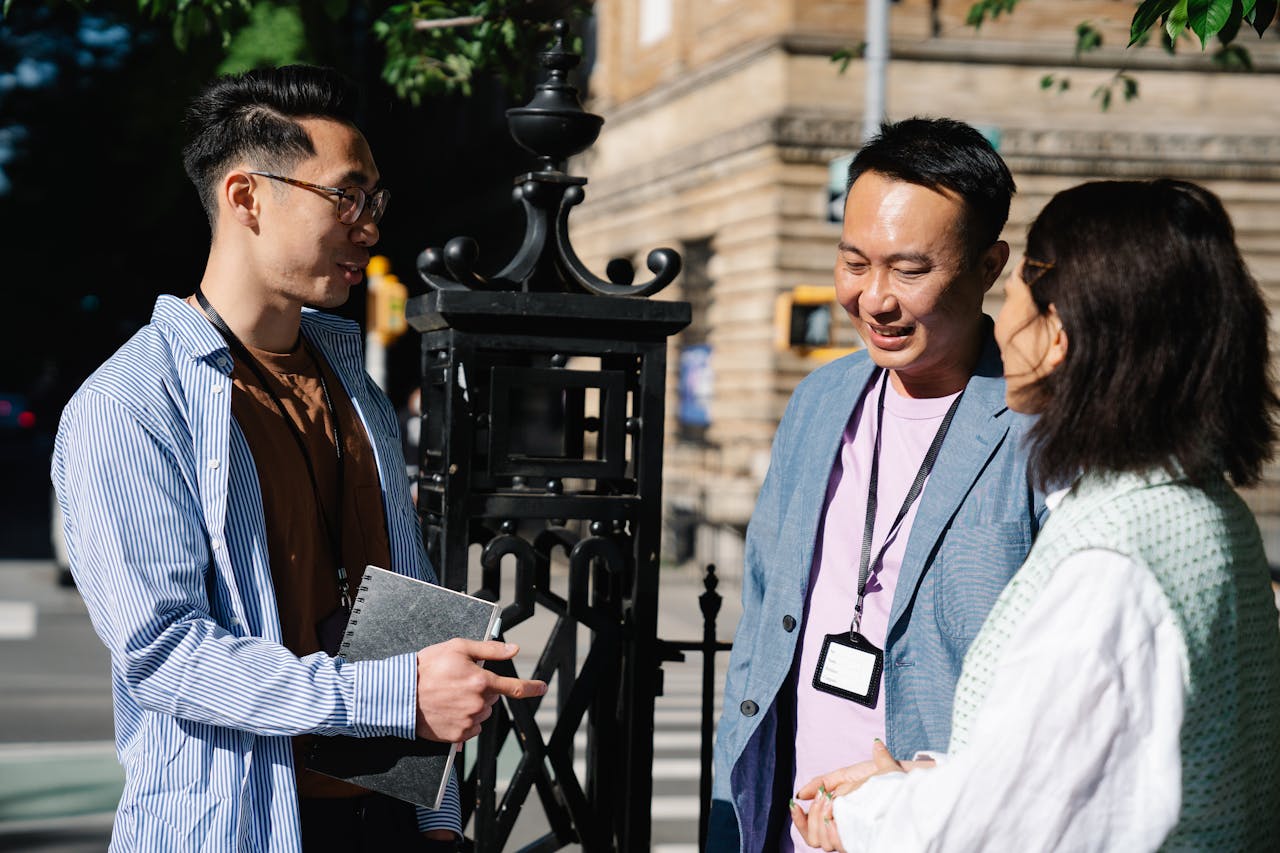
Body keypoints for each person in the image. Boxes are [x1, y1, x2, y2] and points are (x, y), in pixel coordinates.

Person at [51, 65, 546, 852]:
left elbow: (402, 608)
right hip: (240, 825)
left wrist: (437, 817)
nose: (370, 226)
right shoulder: (131, 404)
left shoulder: (355, 386)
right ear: (247, 196)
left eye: (374, 202)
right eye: (346, 197)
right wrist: (391, 696)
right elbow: (166, 653)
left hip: (388, 812)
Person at [792, 179, 1280, 851]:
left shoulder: (1110, 564)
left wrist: (865, 816)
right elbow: (1082, 771)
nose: (1004, 317)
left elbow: (1009, 826)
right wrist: (926, 780)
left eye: (1018, 289)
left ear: (1058, 334)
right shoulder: (1205, 510)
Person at [709, 118, 1047, 852]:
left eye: (910, 269)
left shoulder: (1042, 425)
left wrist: (923, 791)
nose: (874, 298)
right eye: (854, 262)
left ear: (989, 265)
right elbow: (765, 618)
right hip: (788, 827)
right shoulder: (818, 401)